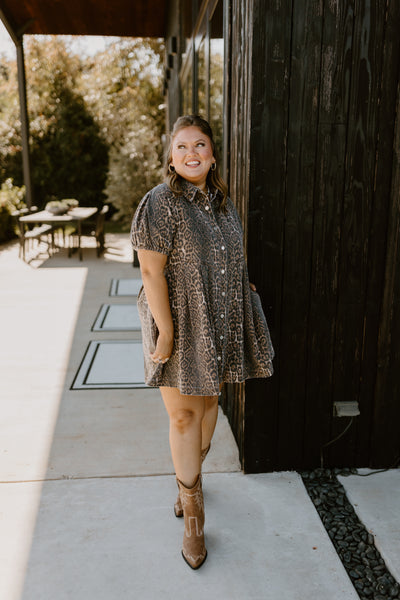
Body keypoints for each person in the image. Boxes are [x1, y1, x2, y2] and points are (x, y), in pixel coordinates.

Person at [131, 114, 274, 569]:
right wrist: (167, 330)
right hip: (177, 321)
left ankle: (185, 478)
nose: (191, 154)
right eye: (181, 147)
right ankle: (193, 513)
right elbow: (151, 271)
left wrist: (243, 288)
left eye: (199, 146)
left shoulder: (223, 202)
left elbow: (231, 257)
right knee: (183, 417)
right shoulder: (160, 203)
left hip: (216, 321)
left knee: (210, 412)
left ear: (212, 155)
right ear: (171, 158)